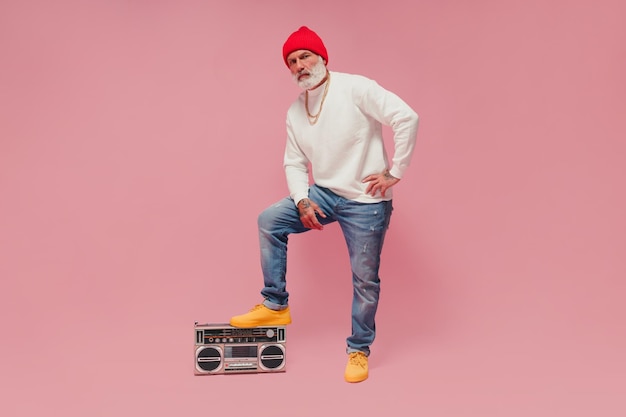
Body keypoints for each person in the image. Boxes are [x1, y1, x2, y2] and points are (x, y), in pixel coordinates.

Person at [230, 26, 419, 383]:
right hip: (324, 194)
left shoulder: (356, 87)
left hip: (366, 201)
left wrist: (396, 171)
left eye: (305, 56)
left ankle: (358, 350)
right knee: (269, 220)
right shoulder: (295, 111)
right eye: (292, 61)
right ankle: (275, 304)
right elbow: (294, 162)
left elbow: (406, 117)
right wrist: (302, 200)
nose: (299, 65)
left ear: (322, 58)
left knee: (365, 279)